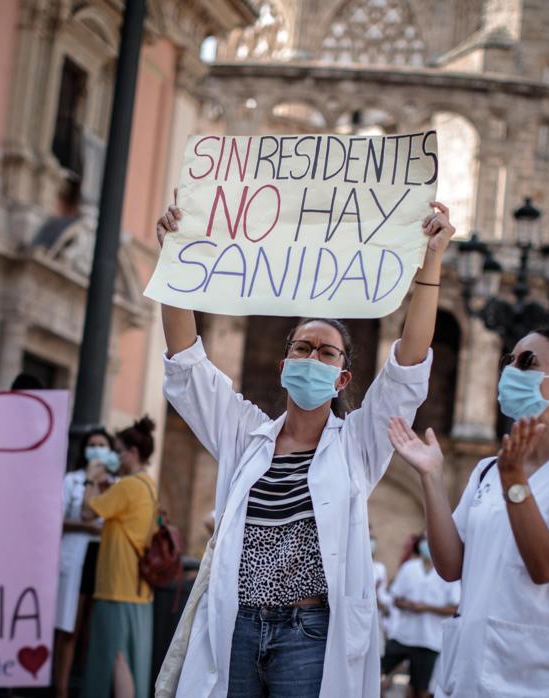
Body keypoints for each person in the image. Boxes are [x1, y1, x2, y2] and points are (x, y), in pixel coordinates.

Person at [155, 199, 453, 697]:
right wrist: (173, 261)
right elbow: (188, 365)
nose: (312, 357)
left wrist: (432, 264)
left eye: (326, 352)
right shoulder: (243, 435)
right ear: (283, 364)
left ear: (342, 378)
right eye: (302, 347)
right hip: (237, 626)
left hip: (309, 635)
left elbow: (406, 368)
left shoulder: (357, 444)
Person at [392, 327, 549, 697]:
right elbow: (450, 566)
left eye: (527, 362)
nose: (511, 371)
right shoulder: (486, 470)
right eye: (507, 361)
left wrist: (515, 482)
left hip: (541, 680)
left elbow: (546, 566)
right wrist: (431, 477)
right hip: (466, 675)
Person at [82, 416, 159, 698]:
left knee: (116, 656)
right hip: (138, 587)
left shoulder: (127, 486)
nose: (115, 456)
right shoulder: (148, 485)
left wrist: (91, 477)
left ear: (133, 452)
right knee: (130, 658)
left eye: (118, 450)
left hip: (116, 585)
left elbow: (87, 512)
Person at [54, 427, 115, 698]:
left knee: (95, 631)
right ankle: (61, 690)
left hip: (103, 559)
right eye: (93, 444)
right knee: (70, 628)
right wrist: (87, 527)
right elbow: (60, 518)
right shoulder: (72, 480)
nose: (97, 448)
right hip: (75, 557)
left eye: (102, 444)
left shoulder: (116, 483)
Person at [380, 535, 459, 698]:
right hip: (403, 636)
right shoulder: (409, 568)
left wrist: (426, 607)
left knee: (421, 689)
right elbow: (395, 598)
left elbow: (455, 607)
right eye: (425, 541)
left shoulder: (448, 571)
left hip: (429, 641)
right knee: (377, 673)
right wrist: (408, 605)